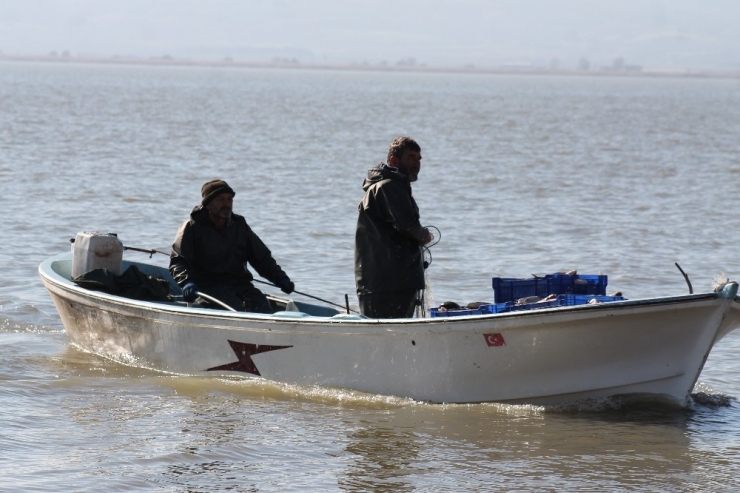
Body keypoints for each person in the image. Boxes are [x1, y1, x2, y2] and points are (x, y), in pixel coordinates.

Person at [170, 179, 294, 313]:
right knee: (234, 307)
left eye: (229, 200)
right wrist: (186, 282)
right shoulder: (191, 228)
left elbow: (262, 259)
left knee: (262, 306)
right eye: (220, 199)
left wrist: (280, 278)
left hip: (241, 286)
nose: (226, 204)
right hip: (206, 288)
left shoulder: (240, 226)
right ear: (207, 204)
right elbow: (178, 262)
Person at [354, 136, 433, 318]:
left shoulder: (392, 186)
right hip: (388, 283)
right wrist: (424, 236)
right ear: (393, 160)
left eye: (419, 159)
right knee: (391, 336)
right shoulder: (389, 186)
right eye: (411, 157)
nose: (416, 163)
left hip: (385, 282)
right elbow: (407, 225)